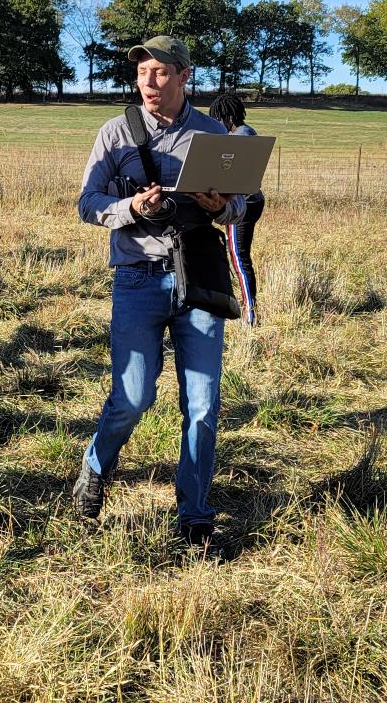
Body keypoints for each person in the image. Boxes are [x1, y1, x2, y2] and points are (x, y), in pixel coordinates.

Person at [72, 36, 243, 549]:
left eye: (161, 72)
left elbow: (244, 206)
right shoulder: (114, 133)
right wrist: (132, 210)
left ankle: (194, 515)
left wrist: (220, 207)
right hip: (137, 277)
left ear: (185, 76)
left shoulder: (214, 135)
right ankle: (97, 466)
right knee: (133, 394)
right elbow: (87, 203)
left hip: (198, 279)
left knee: (204, 403)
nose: (149, 82)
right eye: (143, 72)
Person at [210, 93, 263, 326]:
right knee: (240, 257)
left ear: (227, 116)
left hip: (242, 203)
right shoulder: (247, 132)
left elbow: (230, 175)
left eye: (218, 119)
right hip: (253, 200)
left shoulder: (239, 137)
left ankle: (250, 315)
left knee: (239, 259)